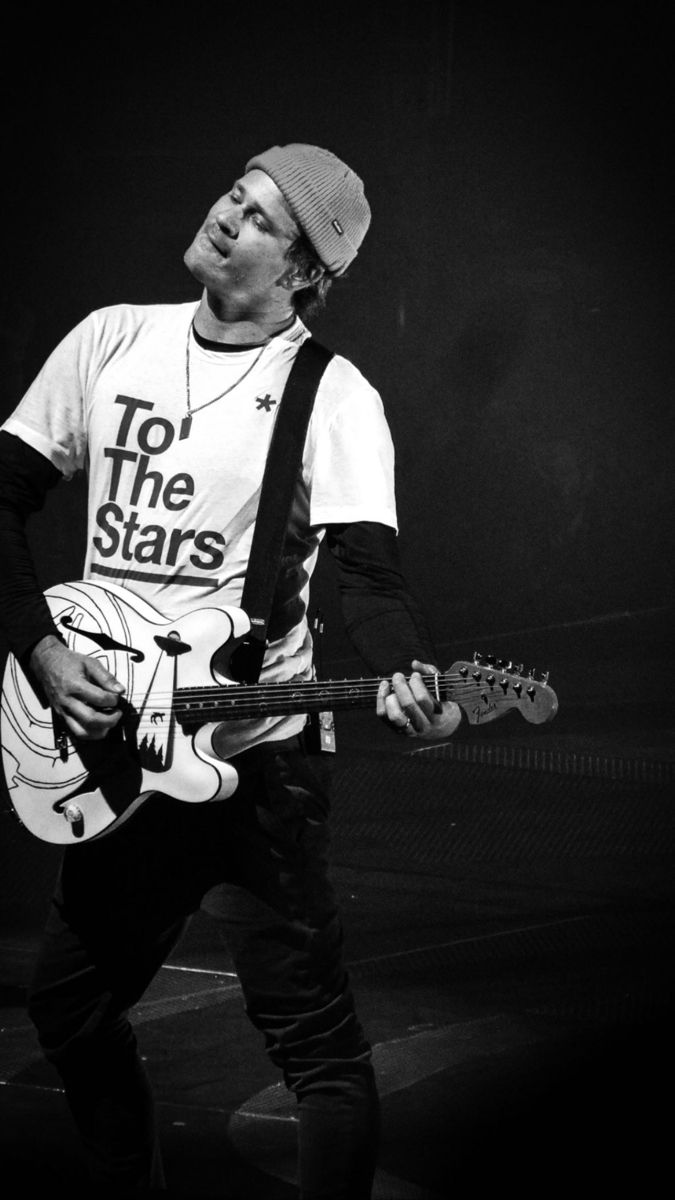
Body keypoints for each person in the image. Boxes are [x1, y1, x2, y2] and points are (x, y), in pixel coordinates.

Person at [0, 143, 461, 1198]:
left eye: (260, 222)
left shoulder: (334, 396)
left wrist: (402, 670)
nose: (226, 219)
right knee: (70, 1009)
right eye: (233, 195)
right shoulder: (113, 340)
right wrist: (38, 642)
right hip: (122, 747)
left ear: (307, 273)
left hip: (257, 766)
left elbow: (369, 579)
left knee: (316, 1048)